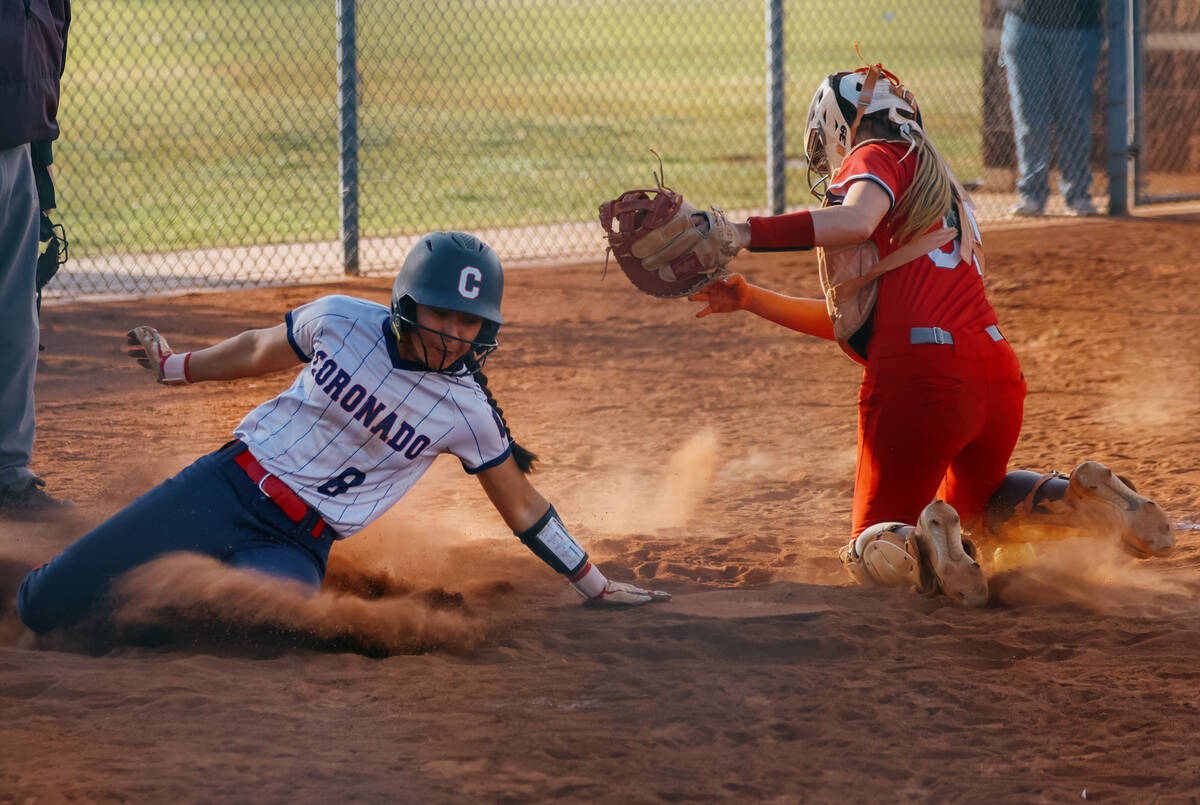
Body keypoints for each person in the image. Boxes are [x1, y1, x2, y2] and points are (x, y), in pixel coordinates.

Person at [16, 231, 670, 634]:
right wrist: (173, 366)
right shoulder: (341, 319)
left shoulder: (468, 410)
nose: (455, 334)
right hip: (223, 486)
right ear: (407, 302)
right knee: (42, 605)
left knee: (255, 626)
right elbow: (255, 349)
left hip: (297, 543)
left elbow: (523, 506)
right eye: (443, 314)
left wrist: (595, 584)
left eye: (471, 323)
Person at [687, 63, 1173, 606]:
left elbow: (856, 221)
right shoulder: (939, 185)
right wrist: (752, 299)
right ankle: (1082, 502)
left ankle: (927, 544)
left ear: (842, 125)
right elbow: (865, 326)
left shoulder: (878, 154)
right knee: (980, 512)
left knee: (870, 544)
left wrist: (744, 232)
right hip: (995, 373)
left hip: (922, 380)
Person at [0, 0, 72, 517]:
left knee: (16, 315)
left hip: (18, 137)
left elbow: (51, 32)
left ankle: (8, 473)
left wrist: (41, 145)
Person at [1000, 0, 1103, 217]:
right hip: (1025, 20)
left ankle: (1078, 195)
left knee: (1073, 117)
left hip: (1077, 25)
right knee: (1030, 120)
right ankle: (1031, 195)